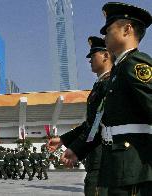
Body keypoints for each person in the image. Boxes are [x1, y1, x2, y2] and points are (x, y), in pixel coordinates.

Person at [60, 2, 152, 195]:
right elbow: (99, 122)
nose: (105, 35)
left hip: (135, 167)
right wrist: (77, 148)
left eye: (109, 30)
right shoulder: (118, 72)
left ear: (127, 30)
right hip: (118, 166)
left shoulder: (134, 64)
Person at [47, 36, 113, 195]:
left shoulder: (110, 83)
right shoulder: (101, 84)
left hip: (104, 157)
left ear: (106, 55)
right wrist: (63, 139)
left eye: (93, 55)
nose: (90, 60)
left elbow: (97, 123)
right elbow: (91, 123)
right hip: (98, 156)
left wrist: (76, 149)